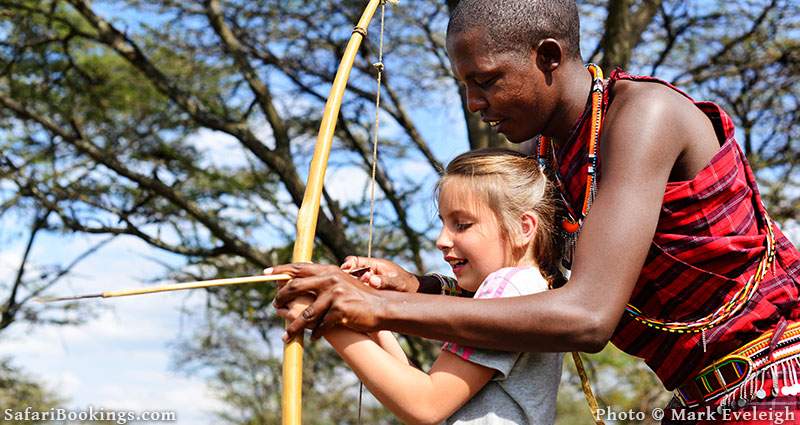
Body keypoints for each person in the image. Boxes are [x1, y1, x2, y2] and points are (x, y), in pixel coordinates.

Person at [270, 0, 800, 423]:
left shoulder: (645, 116)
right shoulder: (547, 156)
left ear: (548, 56)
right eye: (466, 87)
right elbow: (537, 290)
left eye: (486, 80)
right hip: (703, 401)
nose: (475, 102)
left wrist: (373, 309)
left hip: (779, 387)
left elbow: (587, 316)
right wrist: (417, 288)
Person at [280, 149, 564, 424]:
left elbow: (425, 405)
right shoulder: (527, 289)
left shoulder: (507, 287)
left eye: (462, 225)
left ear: (523, 227)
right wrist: (369, 321)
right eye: (443, 224)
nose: (441, 240)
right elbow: (422, 392)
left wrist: (327, 318)